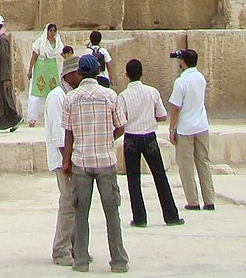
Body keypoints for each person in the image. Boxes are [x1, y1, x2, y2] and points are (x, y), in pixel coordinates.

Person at [62, 53, 128, 274]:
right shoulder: (110, 96)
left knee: (81, 214)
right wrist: (107, 138)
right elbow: (121, 126)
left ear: (80, 73)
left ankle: (81, 260)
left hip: (81, 161)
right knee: (112, 213)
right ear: (98, 71)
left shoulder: (71, 98)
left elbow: (68, 133)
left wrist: (66, 162)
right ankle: (118, 260)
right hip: (105, 161)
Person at [118, 59, 183, 229]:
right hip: (149, 137)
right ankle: (171, 215)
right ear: (142, 73)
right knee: (160, 176)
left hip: (131, 138)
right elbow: (162, 116)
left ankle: (139, 218)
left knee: (133, 179)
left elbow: (121, 120)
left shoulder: (123, 96)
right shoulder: (152, 92)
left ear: (126, 74)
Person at [44, 56, 83, 266]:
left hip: (71, 157)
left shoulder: (71, 95)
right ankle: (60, 250)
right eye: (79, 73)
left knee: (75, 204)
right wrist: (67, 161)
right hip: (62, 159)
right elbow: (59, 134)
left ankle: (74, 247)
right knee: (68, 203)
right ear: (69, 74)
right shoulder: (56, 97)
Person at [168, 49, 215, 212]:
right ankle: (209, 200)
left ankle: (193, 201)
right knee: (203, 163)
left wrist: (172, 129)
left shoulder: (181, 82)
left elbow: (175, 107)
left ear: (183, 62)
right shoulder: (201, 78)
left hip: (186, 128)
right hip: (202, 126)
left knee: (186, 166)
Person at [27, 23, 63, 126]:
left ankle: (52, 118)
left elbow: (63, 53)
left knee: (53, 94)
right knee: (37, 93)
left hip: (52, 70)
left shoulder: (58, 43)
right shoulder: (40, 42)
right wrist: (30, 70)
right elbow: (34, 56)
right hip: (40, 69)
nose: (52, 33)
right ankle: (32, 119)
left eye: (54, 31)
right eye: (50, 30)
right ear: (46, 31)